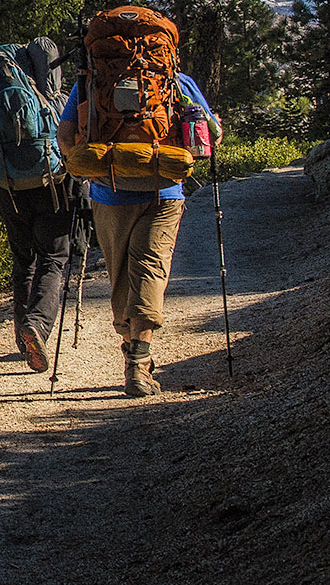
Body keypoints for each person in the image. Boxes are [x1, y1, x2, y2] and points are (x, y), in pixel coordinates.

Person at [54, 27, 221, 398]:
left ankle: (134, 355)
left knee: (121, 279)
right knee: (150, 270)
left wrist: (87, 164)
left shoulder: (93, 81)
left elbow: (65, 135)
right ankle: (138, 364)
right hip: (166, 190)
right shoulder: (177, 81)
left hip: (109, 192)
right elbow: (211, 134)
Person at [0, 36, 77, 373]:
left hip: (8, 191)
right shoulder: (54, 100)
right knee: (53, 258)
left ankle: (23, 339)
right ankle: (37, 326)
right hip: (51, 187)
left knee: (24, 262)